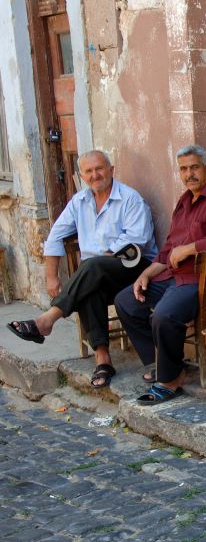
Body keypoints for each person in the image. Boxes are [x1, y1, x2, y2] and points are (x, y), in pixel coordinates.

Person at [5, 150, 157, 389]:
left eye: (99, 169)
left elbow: (136, 242)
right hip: (98, 273)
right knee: (89, 284)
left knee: (91, 267)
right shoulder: (80, 201)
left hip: (134, 267)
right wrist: (51, 276)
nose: (95, 175)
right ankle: (103, 359)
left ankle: (48, 319)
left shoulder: (130, 199)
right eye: (89, 171)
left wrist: (100, 259)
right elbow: (55, 236)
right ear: (82, 175)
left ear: (111, 169)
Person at [114, 145, 206, 404]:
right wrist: (147, 275)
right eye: (183, 169)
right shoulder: (184, 202)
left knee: (164, 315)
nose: (189, 174)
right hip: (175, 279)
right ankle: (160, 363)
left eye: (194, 167)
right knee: (126, 301)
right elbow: (168, 250)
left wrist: (190, 248)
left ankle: (170, 380)